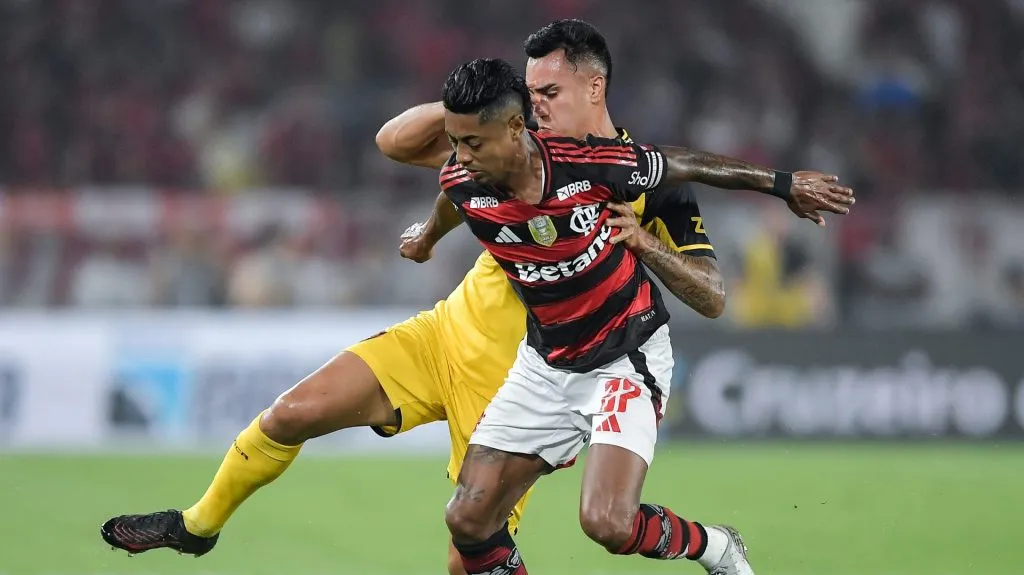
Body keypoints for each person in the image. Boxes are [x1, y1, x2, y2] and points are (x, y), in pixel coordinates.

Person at [100, 21, 852, 575]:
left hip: (566, 363)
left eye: (548, 92)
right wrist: (457, 156)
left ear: (594, 88)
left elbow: (712, 289)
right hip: (467, 344)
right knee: (304, 419)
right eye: (529, 92)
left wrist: (767, 192)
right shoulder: (484, 154)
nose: (538, 104)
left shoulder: (628, 175)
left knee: (520, 540)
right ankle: (197, 525)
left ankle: (713, 547)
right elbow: (408, 152)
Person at [432, 56, 851, 575]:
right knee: (467, 519)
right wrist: (425, 237)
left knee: (607, 522)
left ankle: (716, 546)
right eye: (454, 142)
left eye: (473, 143)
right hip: (545, 365)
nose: (462, 157)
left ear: (516, 127)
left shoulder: (587, 164)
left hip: (624, 356)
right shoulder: (463, 179)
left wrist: (783, 185)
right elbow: (450, 199)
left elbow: (683, 164)